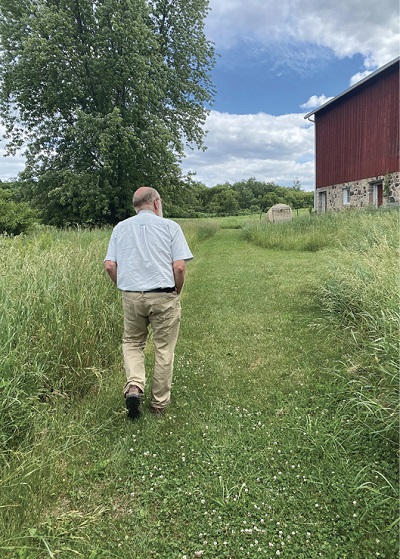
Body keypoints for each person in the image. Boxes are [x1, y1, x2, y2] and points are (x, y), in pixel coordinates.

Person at [104, 186, 193, 420]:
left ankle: (134, 386)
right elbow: (180, 266)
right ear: (156, 203)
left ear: (136, 205)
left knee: (132, 342)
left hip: (131, 294)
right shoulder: (171, 227)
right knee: (164, 348)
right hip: (164, 294)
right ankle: (159, 404)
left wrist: (123, 286)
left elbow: (110, 266)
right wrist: (177, 291)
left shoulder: (120, 228)